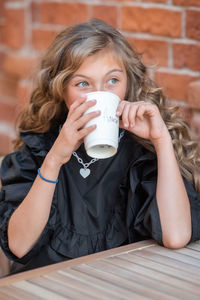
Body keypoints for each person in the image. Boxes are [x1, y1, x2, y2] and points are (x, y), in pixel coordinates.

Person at [0, 19, 200, 274]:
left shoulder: (143, 152)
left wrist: (161, 140)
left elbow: (176, 236)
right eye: (83, 83)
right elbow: (19, 245)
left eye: (112, 80)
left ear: (129, 83)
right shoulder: (39, 149)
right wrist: (54, 159)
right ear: (61, 89)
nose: (100, 93)